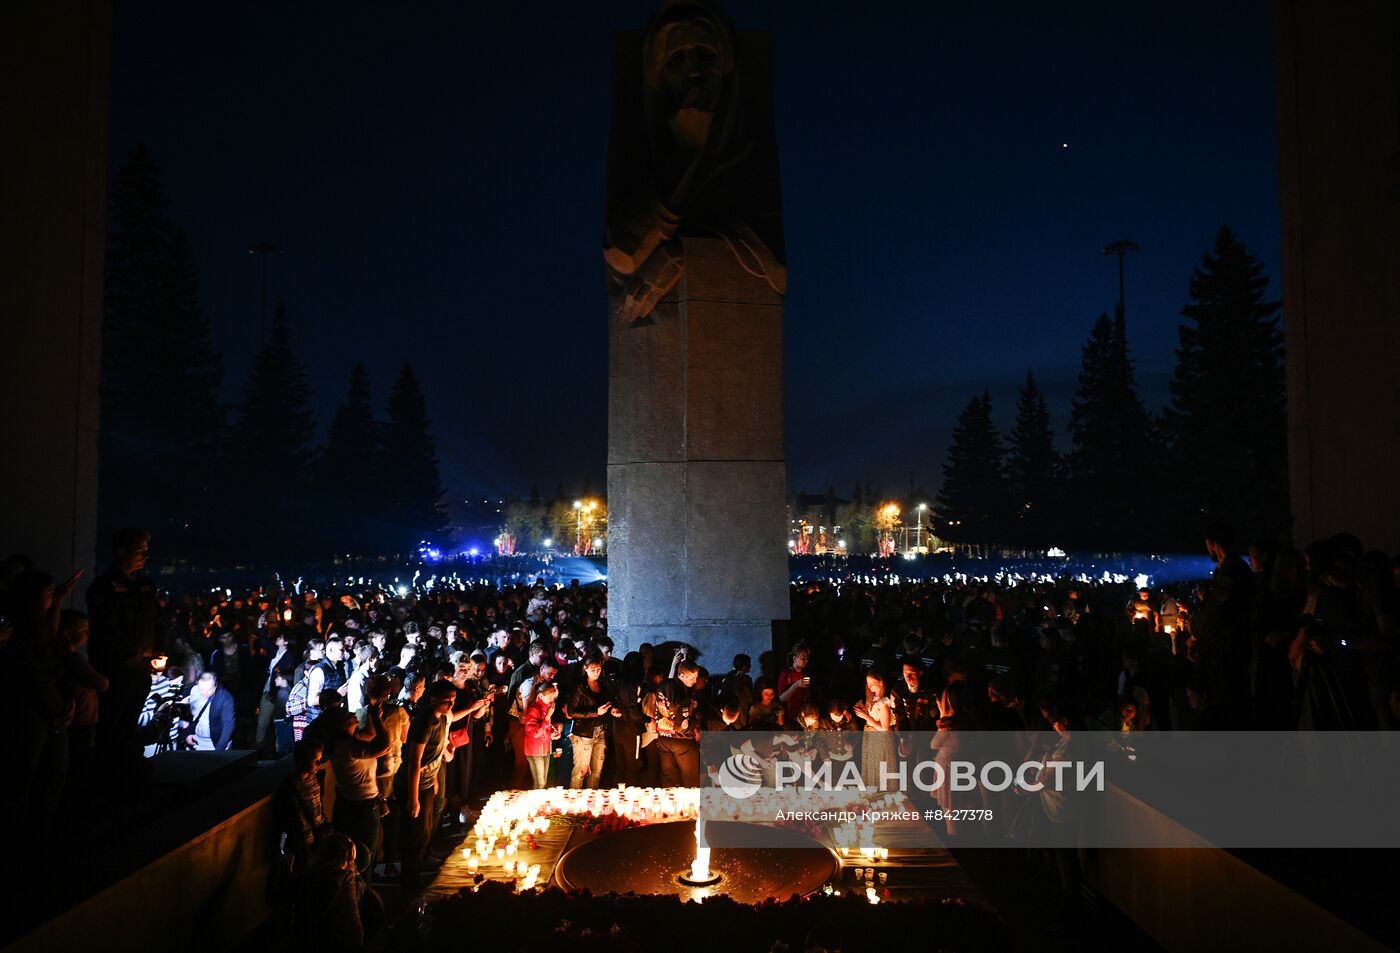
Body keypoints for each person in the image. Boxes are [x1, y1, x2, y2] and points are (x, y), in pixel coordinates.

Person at [87, 528, 157, 780]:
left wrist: (154, 654)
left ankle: (126, 766)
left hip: (140, 669)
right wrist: (127, 655)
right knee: (111, 724)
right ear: (122, 551)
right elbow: (106, 627)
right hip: (115, 670)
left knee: (129, 722)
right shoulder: (103, 587)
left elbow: (155, 622)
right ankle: (106, 774)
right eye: (140, 550)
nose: (145, 556)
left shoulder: (145, 586)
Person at [400, 680, 456, 893]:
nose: (450, 706)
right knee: (415, 836)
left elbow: (436, 752)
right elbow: (414, 762)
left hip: (426, 782)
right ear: (433, 700)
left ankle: (416, 875)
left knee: (424, 833)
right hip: (414, 785)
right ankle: (409, 886)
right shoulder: (425, 724)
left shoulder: (440, 718)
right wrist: (413, 798)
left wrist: (434, 779)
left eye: (452, 701)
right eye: (446, 702)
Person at [329, 685, 392, 876]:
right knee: (363, 855)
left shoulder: (351, 740)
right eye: (347, 715)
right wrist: (378, 720)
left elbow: (370, 734)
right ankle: (361, 895)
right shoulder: (346, 746)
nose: (352, 714)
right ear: (341, 725)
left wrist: (375, 714)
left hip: (352, 804)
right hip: (360, 807)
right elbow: (384, 745)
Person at [563, 653, 621, 788]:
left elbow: (606, 702)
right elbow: (571, 712)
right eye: (593, 670)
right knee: (581, 771)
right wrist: (595, 712)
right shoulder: (580, 686)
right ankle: (575, 802)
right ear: (586, 668)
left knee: (596, 771)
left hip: (600, 731)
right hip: (584, 734)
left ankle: (591, 802)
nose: (596, 673)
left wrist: (611, 709)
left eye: (599, 669)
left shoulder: (603, 684)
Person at [855, 670, 895, 789]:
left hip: (880, 740)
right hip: (871, 738)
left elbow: (884, 728)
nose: (869, 686)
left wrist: (865, 716)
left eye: (872, 683)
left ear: (881, 682)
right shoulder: (872, 699)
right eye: (867, 683)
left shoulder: (883, 702)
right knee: (871, 768)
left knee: (880, 768)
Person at [522, 681, 562, 788]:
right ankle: (535, 803)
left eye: (553, 698)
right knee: (539, 783)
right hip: (535, 750)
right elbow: (534, 733)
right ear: (540, 696)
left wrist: (552, 734)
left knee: (543, 781)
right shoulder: (533, 710)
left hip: (545, 748)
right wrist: (548, 717)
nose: (551, 701)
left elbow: (545, 728)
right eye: (549, 698)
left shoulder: (546, 708)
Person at [183, 671, 235, 751]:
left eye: (209, 689)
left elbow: (228, 724)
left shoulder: (224, 698)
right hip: (196, 741)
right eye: (202, 689)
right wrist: (188, 733)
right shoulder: (193, 691)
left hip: (215, 743)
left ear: (215, 686)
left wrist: (219, 749)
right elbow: (189, 715)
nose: (205, 693)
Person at [777, 642, 813, 722]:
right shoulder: (786, 674)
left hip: (802, 715)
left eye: (807, 658)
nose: (806, 661)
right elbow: (782, 698)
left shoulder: (804, 674)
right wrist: (796, 684)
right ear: (794, 659)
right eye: (803, 658)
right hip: (788, 716)